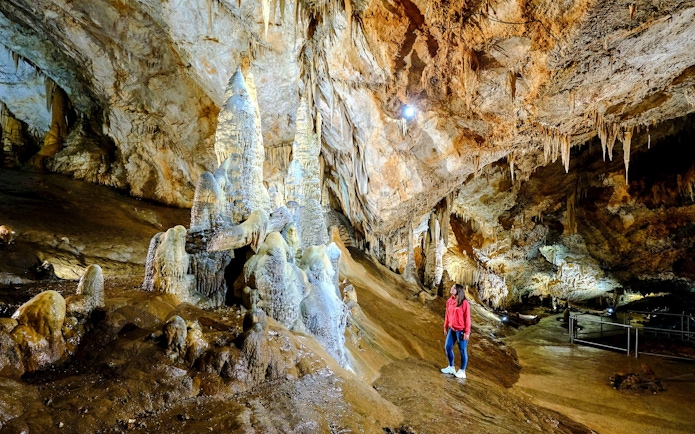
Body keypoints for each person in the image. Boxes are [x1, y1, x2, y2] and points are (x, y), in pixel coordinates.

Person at [440, 283, 471, 379]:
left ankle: (462, 371)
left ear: (458, 290)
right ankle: (451, 367)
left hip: (461, 330)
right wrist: (445, 327)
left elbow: (467, 318)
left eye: (454, 288)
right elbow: (447, 315)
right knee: (447, 347)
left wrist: (467, 332)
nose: (451, 288)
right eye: (452, 287)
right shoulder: (449, 301)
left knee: (462, 350)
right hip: (452, 329)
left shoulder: (464, 303)